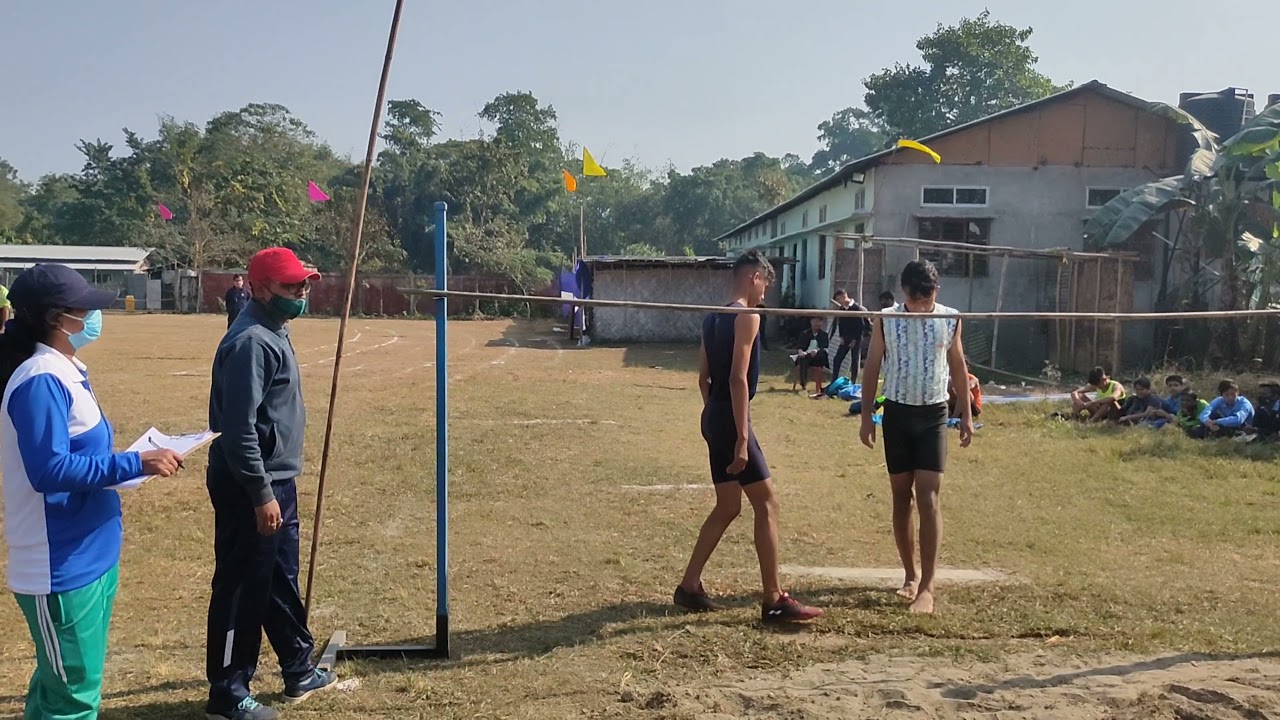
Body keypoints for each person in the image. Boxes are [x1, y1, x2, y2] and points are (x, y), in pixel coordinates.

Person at [0, 264, 182, 720]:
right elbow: (49, 469)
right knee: (73, 701)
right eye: (84, 309)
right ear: (56, 318)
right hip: (58, 565)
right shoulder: (40, 378)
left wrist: (128, 464)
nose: (92, 316)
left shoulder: (66, 370)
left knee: (58, 688)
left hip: (90, 554)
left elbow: (79, 453)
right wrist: (133, 462)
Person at [205, 248, 336, 720]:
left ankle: (297, 665)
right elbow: (237, 429)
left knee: (278, 577)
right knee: (242, 587)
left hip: (276, 479)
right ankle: (227, 690)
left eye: (304, 285)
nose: (301, 293)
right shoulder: (251, 343)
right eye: (290, 286)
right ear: (259, 288)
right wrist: (260, 493)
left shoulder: (275, 330)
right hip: (250, 484)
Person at [674, 250, 822, 624]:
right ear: (755, 276)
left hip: (714, 414)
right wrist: (740, 437)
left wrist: (714, 414)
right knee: (767, 503)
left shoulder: (712, 318)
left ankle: (689, 586)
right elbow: (738, 377)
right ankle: (773, 598)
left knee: (728, 506)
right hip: (729, 419)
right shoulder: (748, 315)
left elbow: (703, 379)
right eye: (766, 285)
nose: (765, 295)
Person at [860, 260, 973, 615]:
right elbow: (873, 365)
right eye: (915, 298)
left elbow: (958, 365)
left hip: (933, 415)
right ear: (905, 291)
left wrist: (966, 412)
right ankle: (910, 574)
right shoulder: (886, 318)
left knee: (928, 495)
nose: (921, 305)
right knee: (900, 496)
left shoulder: (949, 317)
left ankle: (928, 585)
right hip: (896, 413)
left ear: (935, 292)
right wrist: (866, 416)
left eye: (927, 298)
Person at [830, 289, 868, 381]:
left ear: (844, 296)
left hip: (856, 339)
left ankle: (853, 382)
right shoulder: (842, 309)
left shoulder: (857, 308)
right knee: (837, 359)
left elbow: (861, 326)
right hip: (845, 338)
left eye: (839, 299)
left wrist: (855, 340)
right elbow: (841, 324)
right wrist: (841, 336)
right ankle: (834, 381)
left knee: (854, 361)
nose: (839, 302)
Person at [792, 317, 830, 397]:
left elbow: (825, 346)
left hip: (817, 357)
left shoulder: (824, 335)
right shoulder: (805, 333)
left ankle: (818, 388)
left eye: (818, 322)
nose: (816, 324)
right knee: (803, 360)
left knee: (822, 354)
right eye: (815, 322)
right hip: (806, 356)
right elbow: (800, 346)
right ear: (811, 322)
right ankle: (803, 385)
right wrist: (801, 351)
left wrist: (817, 350)